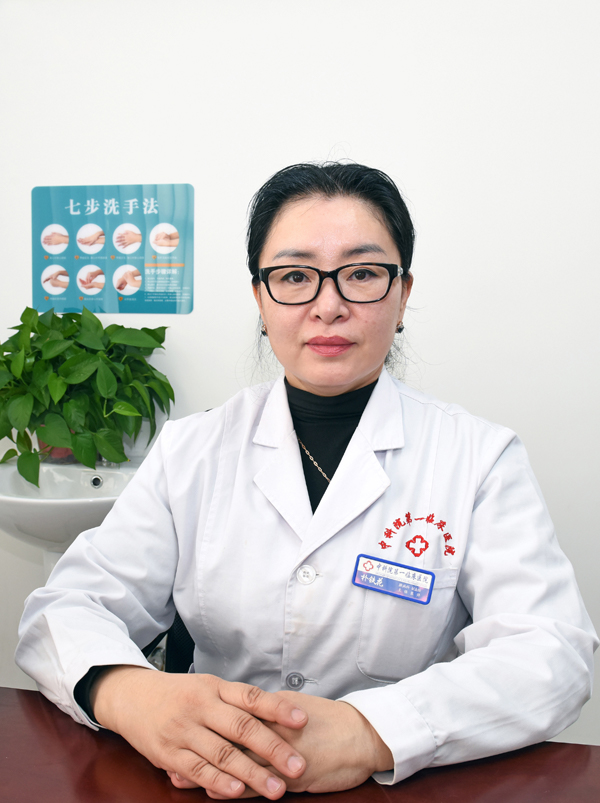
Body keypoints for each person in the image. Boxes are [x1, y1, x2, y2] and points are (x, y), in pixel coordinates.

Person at [16, 162, 597, 799]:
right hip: (207, 780)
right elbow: (67, 607)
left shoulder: (478, 457)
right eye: (295, 276)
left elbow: (551, 654)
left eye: (362, 274)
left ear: (402, 294)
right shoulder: (193, 449)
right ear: (261, 299)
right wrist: (132, 694)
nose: (328, 306)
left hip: (392, 786)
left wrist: (369, 731)